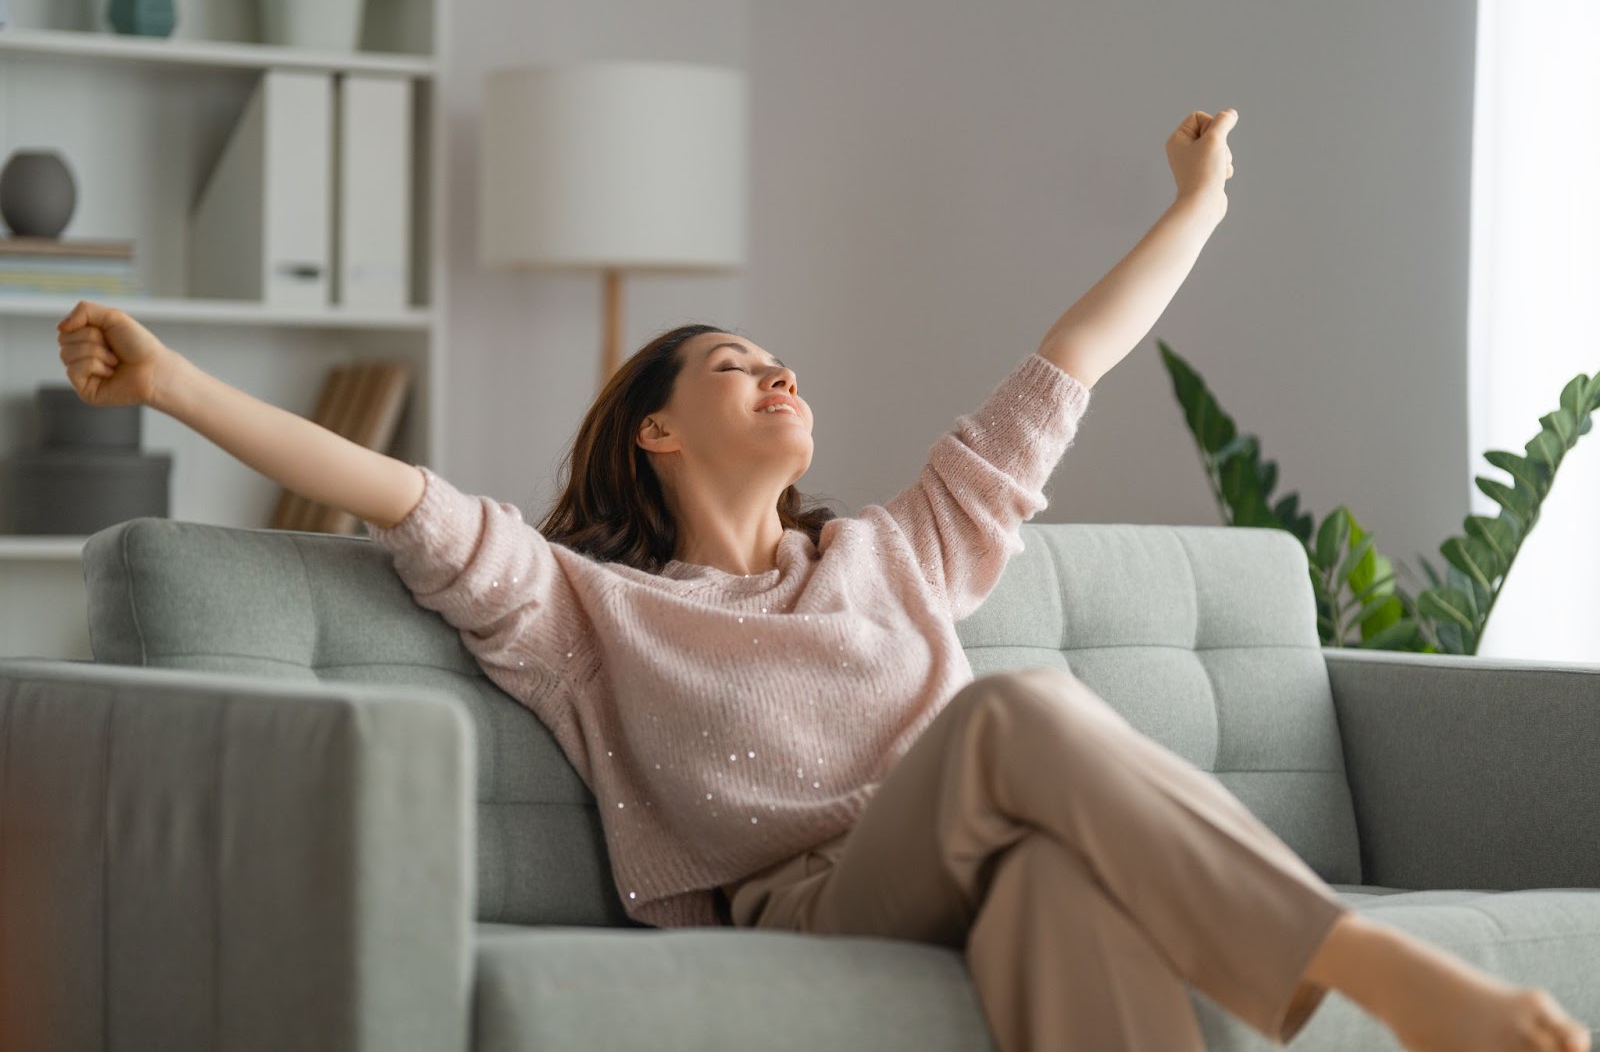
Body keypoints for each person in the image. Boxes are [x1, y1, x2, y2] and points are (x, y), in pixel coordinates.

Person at [54, 109, 1588, 1052]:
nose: (779, 369)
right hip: (811, 903)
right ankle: (1366, 962)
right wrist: (178, 384)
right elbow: (391, 491)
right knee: (1010, 719)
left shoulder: (892, 551)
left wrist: (1193, 205)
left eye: (783, 361)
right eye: (736, 364)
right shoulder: (583, 608)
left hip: (978, 869)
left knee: (1056, 883)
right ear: (654, 429)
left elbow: (1070, 365)